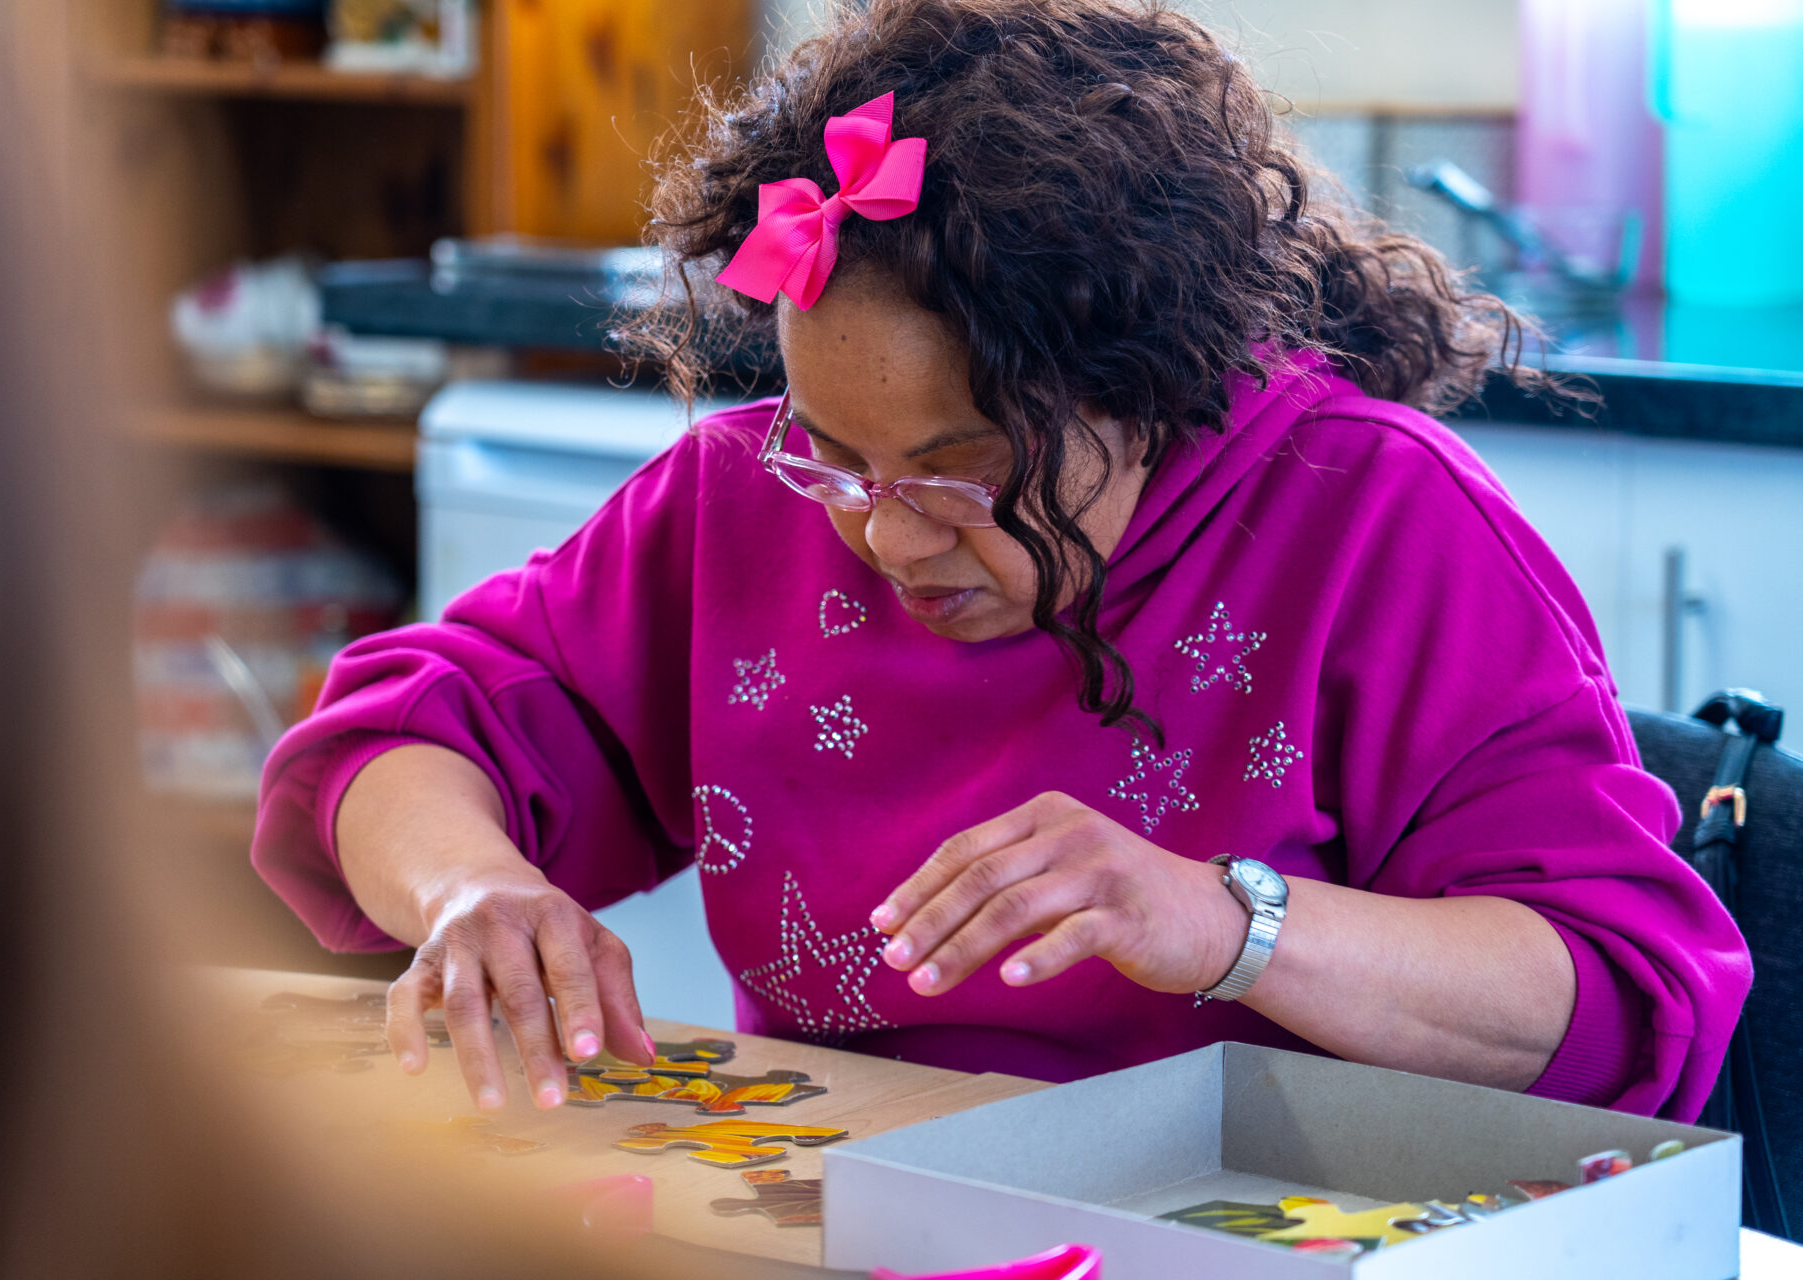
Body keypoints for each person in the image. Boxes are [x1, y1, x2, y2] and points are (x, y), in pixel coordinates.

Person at [253, 0, 1749, 1125]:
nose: (884, 532)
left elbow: (1620, 992)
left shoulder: (1378, 520)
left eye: (966, 469)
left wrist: (1229, 925)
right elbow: (407, 726)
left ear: (1153, 381)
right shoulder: (747, 503)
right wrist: (466, 894)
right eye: (832, 448)